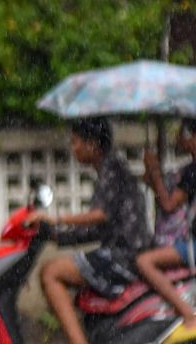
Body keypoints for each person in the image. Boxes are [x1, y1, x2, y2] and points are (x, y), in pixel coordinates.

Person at [30, 117, 152, 344]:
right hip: (123, 250)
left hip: (124, 255)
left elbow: (100, 215)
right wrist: (57, 235)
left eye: (76, 142)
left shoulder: (111, 168)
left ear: (92, 144)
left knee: (50, 272)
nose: (73, 147)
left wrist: (53, 218)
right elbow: (100, 227)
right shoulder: (110, 169)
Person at [136, 118, 196, 344]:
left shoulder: (193, 170)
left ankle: (188, 314)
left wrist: (154, 171)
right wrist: (154, 176)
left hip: (193, 245)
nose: (179, 138)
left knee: (144, 262)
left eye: (184, 133)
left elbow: (169, 204)